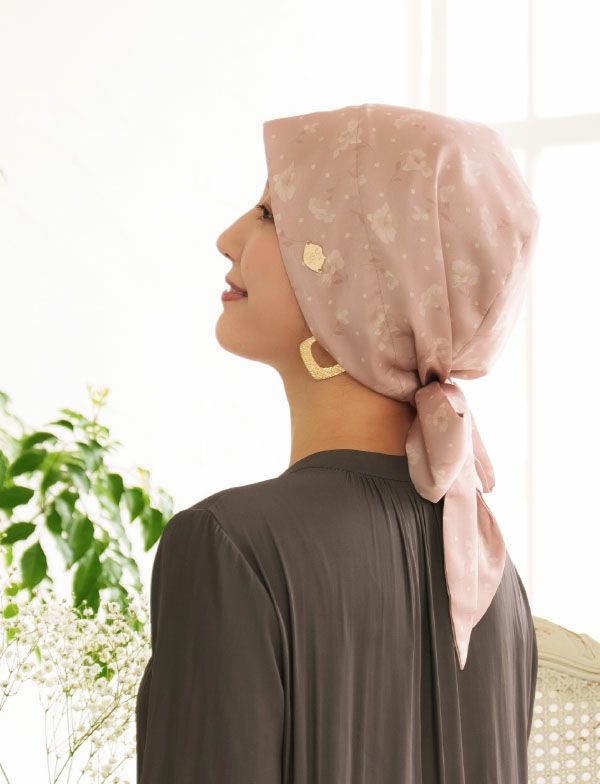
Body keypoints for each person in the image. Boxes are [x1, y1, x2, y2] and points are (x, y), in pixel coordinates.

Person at [136, 103, 540, 783]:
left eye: (270, 214)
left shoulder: (229, 547)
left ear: (354, 279)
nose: (228, 238)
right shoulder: (490, 578)